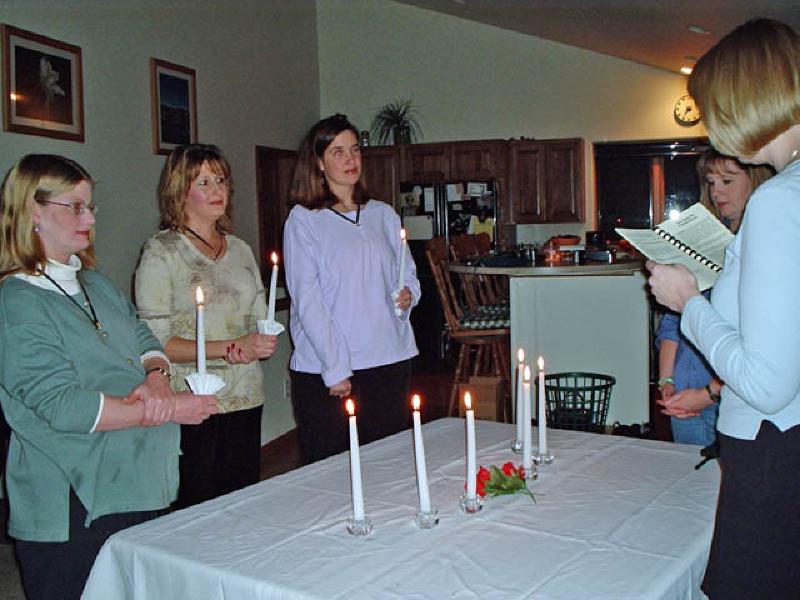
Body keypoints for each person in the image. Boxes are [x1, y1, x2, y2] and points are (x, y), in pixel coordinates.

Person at [0, 154, 218, 600]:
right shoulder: (17, 301)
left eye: (91, 206)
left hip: (135, 484)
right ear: (32, 212)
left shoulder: (94, 283)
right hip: (73, 504)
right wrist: (165, 408)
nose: (88, 217)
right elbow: (62, 405)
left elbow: (141, 337)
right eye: (74, 206)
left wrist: (157, 376)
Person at [646, 18, 800, 598]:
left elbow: (765, 382)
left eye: (714, 107)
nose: (713, 122)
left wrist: (688, 303)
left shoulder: (779, 201)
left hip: (771, 450)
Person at [135, 144, 277, 508]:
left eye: (222, 180)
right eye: (204, 182)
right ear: (180, 190)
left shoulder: (241, 250)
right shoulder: (162, 251)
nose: (218, 190)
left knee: (241, 503)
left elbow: (257, 320)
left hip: (244, 396)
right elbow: (154, 342)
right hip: (190, 399)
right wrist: (230, 347)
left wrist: (259, 341)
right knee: (195, 507)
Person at [284, 114, 420, 463]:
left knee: (387, 469)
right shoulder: (304, 220)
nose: (350, 159)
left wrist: (408, 294)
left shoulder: (383, 215)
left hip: (388, 358)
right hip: (332, 372)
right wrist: (336, 368)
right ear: (318, 162)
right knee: (333, 476)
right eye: (338, 151)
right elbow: (307, 300)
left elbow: (408, 275)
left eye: (355, 150)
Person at [655, 150, 772, 446]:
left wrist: (708, 394)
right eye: (710, 182)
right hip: (683, 397)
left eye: (727, 181)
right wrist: (667, 382)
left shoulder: (765, 245)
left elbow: (760, 344)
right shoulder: (701, 244)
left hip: (729, 398)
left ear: (756, 180)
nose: (716, 190)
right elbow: (672, 323)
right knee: (688, 487)